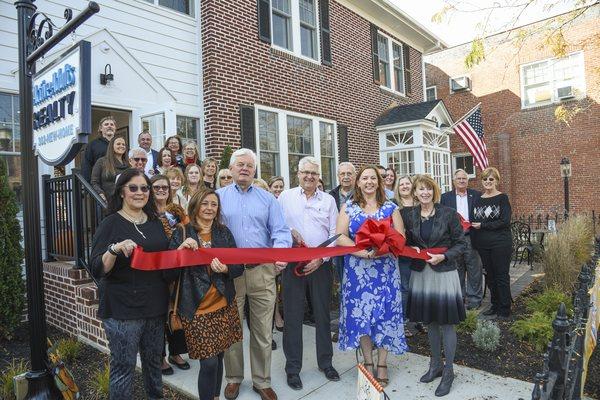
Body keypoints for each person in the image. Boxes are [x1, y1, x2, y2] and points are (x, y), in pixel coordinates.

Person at [90, 168, 170, 400]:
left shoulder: (155, 222)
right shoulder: (110, 224)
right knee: (123, 368)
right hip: (123, 310)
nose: (139, 192)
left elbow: (165, 258)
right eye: (133, 188)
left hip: (155, 305)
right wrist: (113, 250)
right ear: (122, 192)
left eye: (145, 188)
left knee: (154, 365)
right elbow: (97, 267)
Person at [218, 148, 292, 400]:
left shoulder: (267, 199)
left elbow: (280, 232)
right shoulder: (217, 198)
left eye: (250, 165)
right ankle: (234, 379)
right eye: (240, 164)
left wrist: (280, 255)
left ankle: (262, 381)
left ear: (255, 170)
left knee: (262, 331)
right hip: (230, 274)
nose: (245, 168)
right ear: (231, 168)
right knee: (233, 329)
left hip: (262, 272)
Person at [335, 165, 408, 388]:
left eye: (373, 178)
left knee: (385, 315)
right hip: (358, 272)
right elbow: (340, 236)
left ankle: (383, 362)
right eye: (364, 178)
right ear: (358, 183)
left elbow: (401, 236)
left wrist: (381, 249)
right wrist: (361, 252)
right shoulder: (348, 207)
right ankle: (367, 360)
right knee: (363, 317)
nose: (369, 182)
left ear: (379, 181)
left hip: (385, 272)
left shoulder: (390, 207)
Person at [169, 188, 244, 400]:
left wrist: (227, 269)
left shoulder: (223, 233)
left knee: (219, 356)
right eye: (205, 203)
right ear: (195, 206)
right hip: (195, 308)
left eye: (213, 204)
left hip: (224, 306)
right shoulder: (181, 233)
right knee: (208, 362)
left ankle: (215, 397)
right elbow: (168, 274)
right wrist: (180, 252)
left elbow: (239, 266)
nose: (209, 208)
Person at [278, 157, 339, 391]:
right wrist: (288, 230)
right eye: (305, 172)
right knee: (293, 316)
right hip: (293, 265)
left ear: (319, 176)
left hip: (320, 266)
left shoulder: (329, 200)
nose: (309, 176)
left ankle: (326, 363)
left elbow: (335, 234)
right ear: (298, 173)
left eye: (314, 173)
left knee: (323, 315)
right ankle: (292, 369)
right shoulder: (285, 197)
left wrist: (321, 258)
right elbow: (275, 226)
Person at [403, 174, 467, 397]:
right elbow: (403, 241)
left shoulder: (448, 213)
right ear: (415, 193)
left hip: (443, 271)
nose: (425, 193)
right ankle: (435, 365)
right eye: (420, 189)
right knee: (429, 320)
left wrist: (445, 257)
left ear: (434, 191)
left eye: (428, 189)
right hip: (421, 273)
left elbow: (462, 243)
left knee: (447, 323)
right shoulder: (409, 215)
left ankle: (449, 371)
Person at [150, 174, 190, 376]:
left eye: (164, 187)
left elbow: (187, 229)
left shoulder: (176, 211)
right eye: (156, 187)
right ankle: (160, 357)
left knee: (177, 311)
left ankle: (176, 352)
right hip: (156, 270)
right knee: (159, 315)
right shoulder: (147, 214)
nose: (161, 190)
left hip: (176, 268)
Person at [471, 167, 512, 319]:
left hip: (500, 243)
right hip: (483, 244)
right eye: (485, 179)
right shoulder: (478, 200)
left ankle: (505, 308)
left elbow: (505, 221)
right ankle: (495, 305)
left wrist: (483, 225)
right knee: (490, 276)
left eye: (491, 179)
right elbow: (473, 221)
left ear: (497, 181)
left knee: (501, 275)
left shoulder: (502, 198)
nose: (488, 182)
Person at [440, 169, 483, 310]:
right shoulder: (445, 197)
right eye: (459, 178)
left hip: (472, 236)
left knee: (474, 270)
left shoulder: (476, 195)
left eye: (464, 178)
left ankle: (474, 300)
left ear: (468, 180)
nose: (462, 180)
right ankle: (459, 298)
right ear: (454, 180)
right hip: (455, 239)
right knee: (457, 269)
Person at [393, 174, 424, 337]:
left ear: (412, 186)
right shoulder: (393, 206)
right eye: (401, 184)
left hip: (421, 252)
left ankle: (418, 319)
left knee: (419, 287)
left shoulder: (421, 204)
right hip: (403, 253)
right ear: (397, 188)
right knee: (405, 287)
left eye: (407, 183)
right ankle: (403, 322)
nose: (404, 186)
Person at [329, 162, 356, 285]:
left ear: (355, 176)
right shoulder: (330, 196)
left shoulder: (362, 194)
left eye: (349, 174)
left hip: (357, 242)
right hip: (337, 245)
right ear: (338, 176)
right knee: (341, 282)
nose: (346, 177)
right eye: (342, 174)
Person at [267, 176, 285, 333]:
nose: (278, 189)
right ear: (270, 188)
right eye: (275, 187)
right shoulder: (267, 203)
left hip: (281, 251)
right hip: (268, 252)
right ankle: (275, 316)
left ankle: (278, 314)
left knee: (279, 287)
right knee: (271, 287)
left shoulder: (284, 203)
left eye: (281, 187)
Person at [91, 136, 128, 202]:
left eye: (123, 144)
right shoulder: (102, 161)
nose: (121, 146)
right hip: (107, 201)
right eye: (118, 144)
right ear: (112, 146)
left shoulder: (128, 164)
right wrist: (101, 194)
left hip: (125, 201)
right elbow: (94, 182)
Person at [82, 116, 117, 181]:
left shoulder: (121, 144)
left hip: (119, 182)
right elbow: (86, 166)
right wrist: (89, 185)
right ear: (101, 128)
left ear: (115, 128)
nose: (109, 126)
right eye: (106, 124)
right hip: (100, 184)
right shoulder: (92, 145)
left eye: (112, 124)